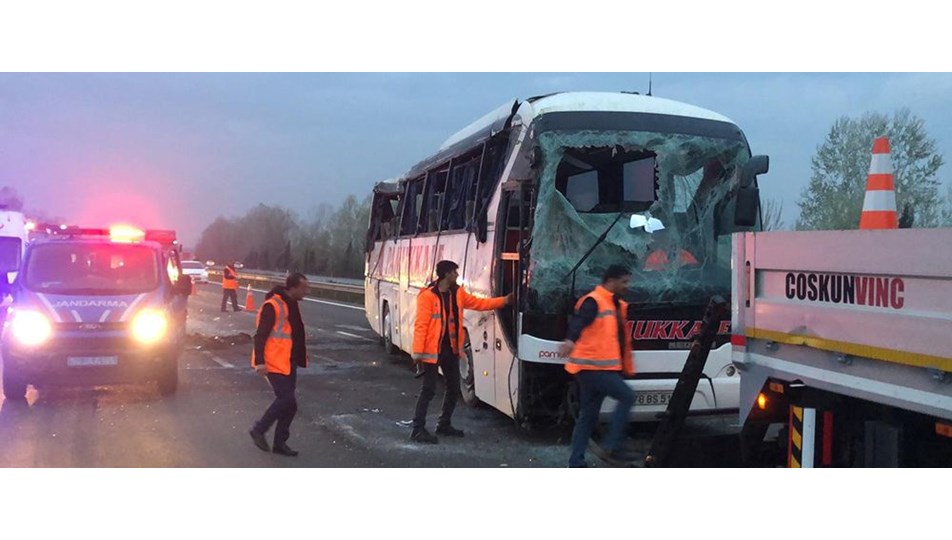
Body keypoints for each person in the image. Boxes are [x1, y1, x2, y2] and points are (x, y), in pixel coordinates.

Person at [410, 260, 512, 443]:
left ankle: (444, 424)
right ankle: (417, 429)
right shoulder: (428, 296)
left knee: (453, 387)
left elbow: (479, 303)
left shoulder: (457, 293)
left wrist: (503, 301)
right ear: (446, 274)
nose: (457, 275)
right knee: (428, 390)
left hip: (450, 349)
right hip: (432, 351)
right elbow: (421, 325)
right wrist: (417, 352)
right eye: (454, 272)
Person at [559, 264, 637, 467]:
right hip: (593, 368)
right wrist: (570, 340)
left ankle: (576, 462)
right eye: (624, 281)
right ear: (611, 281)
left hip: (597, 369)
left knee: (588, 416)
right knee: (627, 396)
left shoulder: (614, 304)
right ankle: (613, 446)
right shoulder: (594, 301)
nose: (627, 285)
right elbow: (579, 322)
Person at [249, 272, 309, 456]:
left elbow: (294, 332)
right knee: (286, 399)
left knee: (290, 405)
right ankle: (259, 430)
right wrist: (260, 362)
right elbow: (260, 336)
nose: (306, 291)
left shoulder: (292, 303)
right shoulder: (272, 305)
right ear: (293, 287)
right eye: (303, 288)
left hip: (288, 361)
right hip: (273, 362)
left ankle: (279, 444)